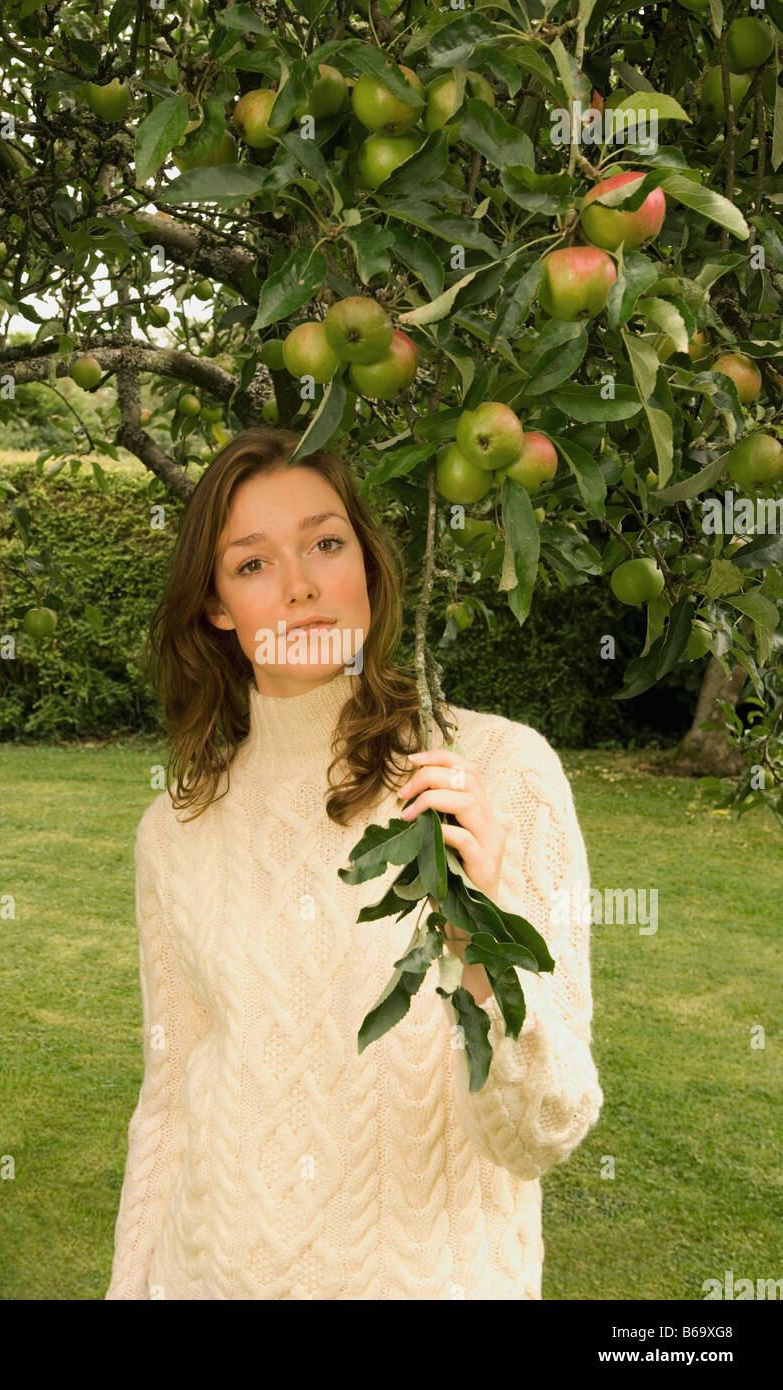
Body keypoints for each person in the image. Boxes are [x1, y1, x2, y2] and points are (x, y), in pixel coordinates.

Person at [105, 426, 603, 1300]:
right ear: (216, 606)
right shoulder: (174, 829)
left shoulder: (497, 776)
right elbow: (174, 1098)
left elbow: (544, 1130)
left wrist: (483, 929)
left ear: (365, 565)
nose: (298, 586)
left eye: (325, 544)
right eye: (252, 564)